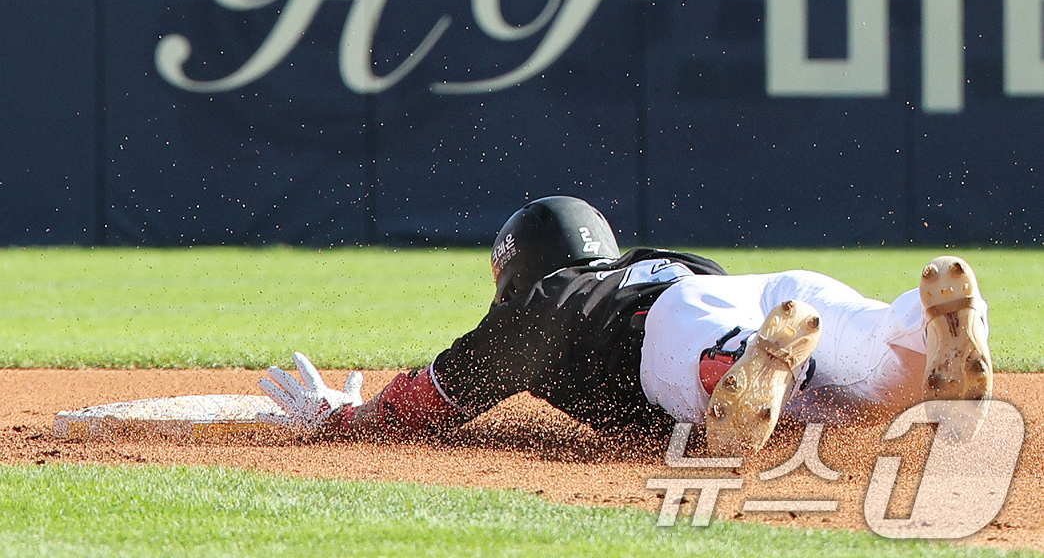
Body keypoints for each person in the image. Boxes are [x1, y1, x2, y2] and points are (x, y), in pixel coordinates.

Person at [258, 197, 993, 456]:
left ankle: (741, 367)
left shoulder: (546, 304)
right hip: (757, 288)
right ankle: (930, 324)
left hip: (677, 326)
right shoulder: (655, 259)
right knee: (868, 360)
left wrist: (342, 417)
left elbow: (424, 403)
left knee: (715, 369)